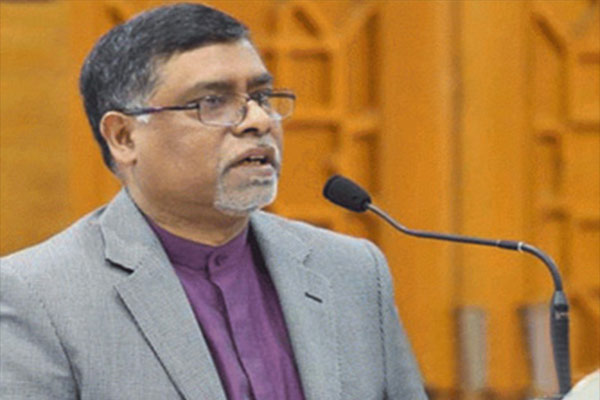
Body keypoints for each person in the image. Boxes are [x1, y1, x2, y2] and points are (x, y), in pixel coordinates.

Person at [0, 3, 427, 399]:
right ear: (124, 137)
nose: (258, 120)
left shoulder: (352, 272)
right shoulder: (39, 296)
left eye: (261, 97)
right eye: (212, 102)